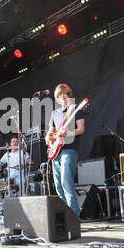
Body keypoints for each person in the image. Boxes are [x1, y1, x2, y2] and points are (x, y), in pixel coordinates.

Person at [45, 84, 85, 218]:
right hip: (55, 151)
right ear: (57, 97)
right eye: (60, 94)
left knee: (66, 183)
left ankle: (75, 218)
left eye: (65, 93)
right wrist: (48, 138)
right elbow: (50, 133)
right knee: (58, 187)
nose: (63, 96)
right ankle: (64, 218)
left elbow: (81, 129)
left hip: (69, 149)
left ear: (69, 94)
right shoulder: (54, 113)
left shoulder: (75, 109)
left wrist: (68, 133)